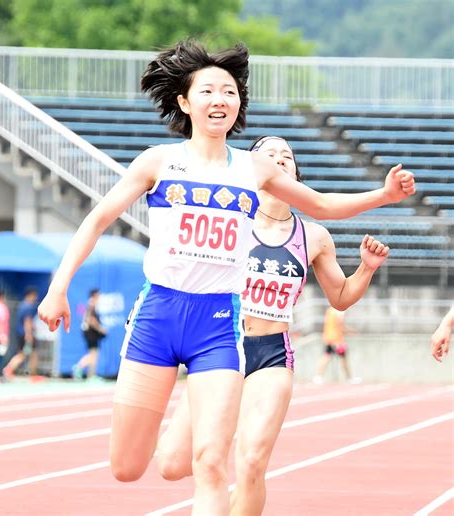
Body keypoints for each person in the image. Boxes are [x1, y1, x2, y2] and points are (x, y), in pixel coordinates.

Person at [37, 41, 415, 515]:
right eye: (209, 91)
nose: (221, 99)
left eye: (230, 92)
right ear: (184, 101)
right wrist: (58, 288)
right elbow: (96, 221)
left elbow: (320, 205)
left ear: (239, 104)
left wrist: (381, 195)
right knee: (128, 466)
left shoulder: (252, 167)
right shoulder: (157, 162)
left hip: (217, 323)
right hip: (158, 315)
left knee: (212, 462)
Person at [157, 135, 391, 515]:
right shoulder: (229, 218)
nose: (280, 159)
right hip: (221, 347)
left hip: (271, 354)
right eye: (269, 154)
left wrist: (365, 268)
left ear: (296, 172)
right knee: (171, 463)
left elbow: (341, 297)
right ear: (252, 167)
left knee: (250, 463)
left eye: (287, 155)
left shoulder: (313, 236)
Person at [312, 306, 360, 384]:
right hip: (336, 340)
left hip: (329, 337)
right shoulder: (339, 311)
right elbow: (340, 324)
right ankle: (349, 378)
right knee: (343, 359)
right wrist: (351, 331)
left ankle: (318, 376)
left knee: (327, 357)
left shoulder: (330, 310)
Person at [3, 287, 41, 380]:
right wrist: (29, 335)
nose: (35, 298)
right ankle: (9, 369)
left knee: (29, 353)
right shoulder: (28, 306)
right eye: (35, 296)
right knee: (25, 354)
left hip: (21, 333)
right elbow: (27, 321)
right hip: (25, 334)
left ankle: (31, 374)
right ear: (31, 295)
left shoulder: (22, 305)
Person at [73, 289, 107, 379]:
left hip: (89, 332)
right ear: (94, 295)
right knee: (93, 354)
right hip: (91, 333)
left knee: (94, 354)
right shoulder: (92, 304)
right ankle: (79, 367)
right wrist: (101, 329)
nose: (100, 297)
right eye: (98, 295)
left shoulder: (90, 305)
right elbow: (91, 320)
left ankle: (91, 375)